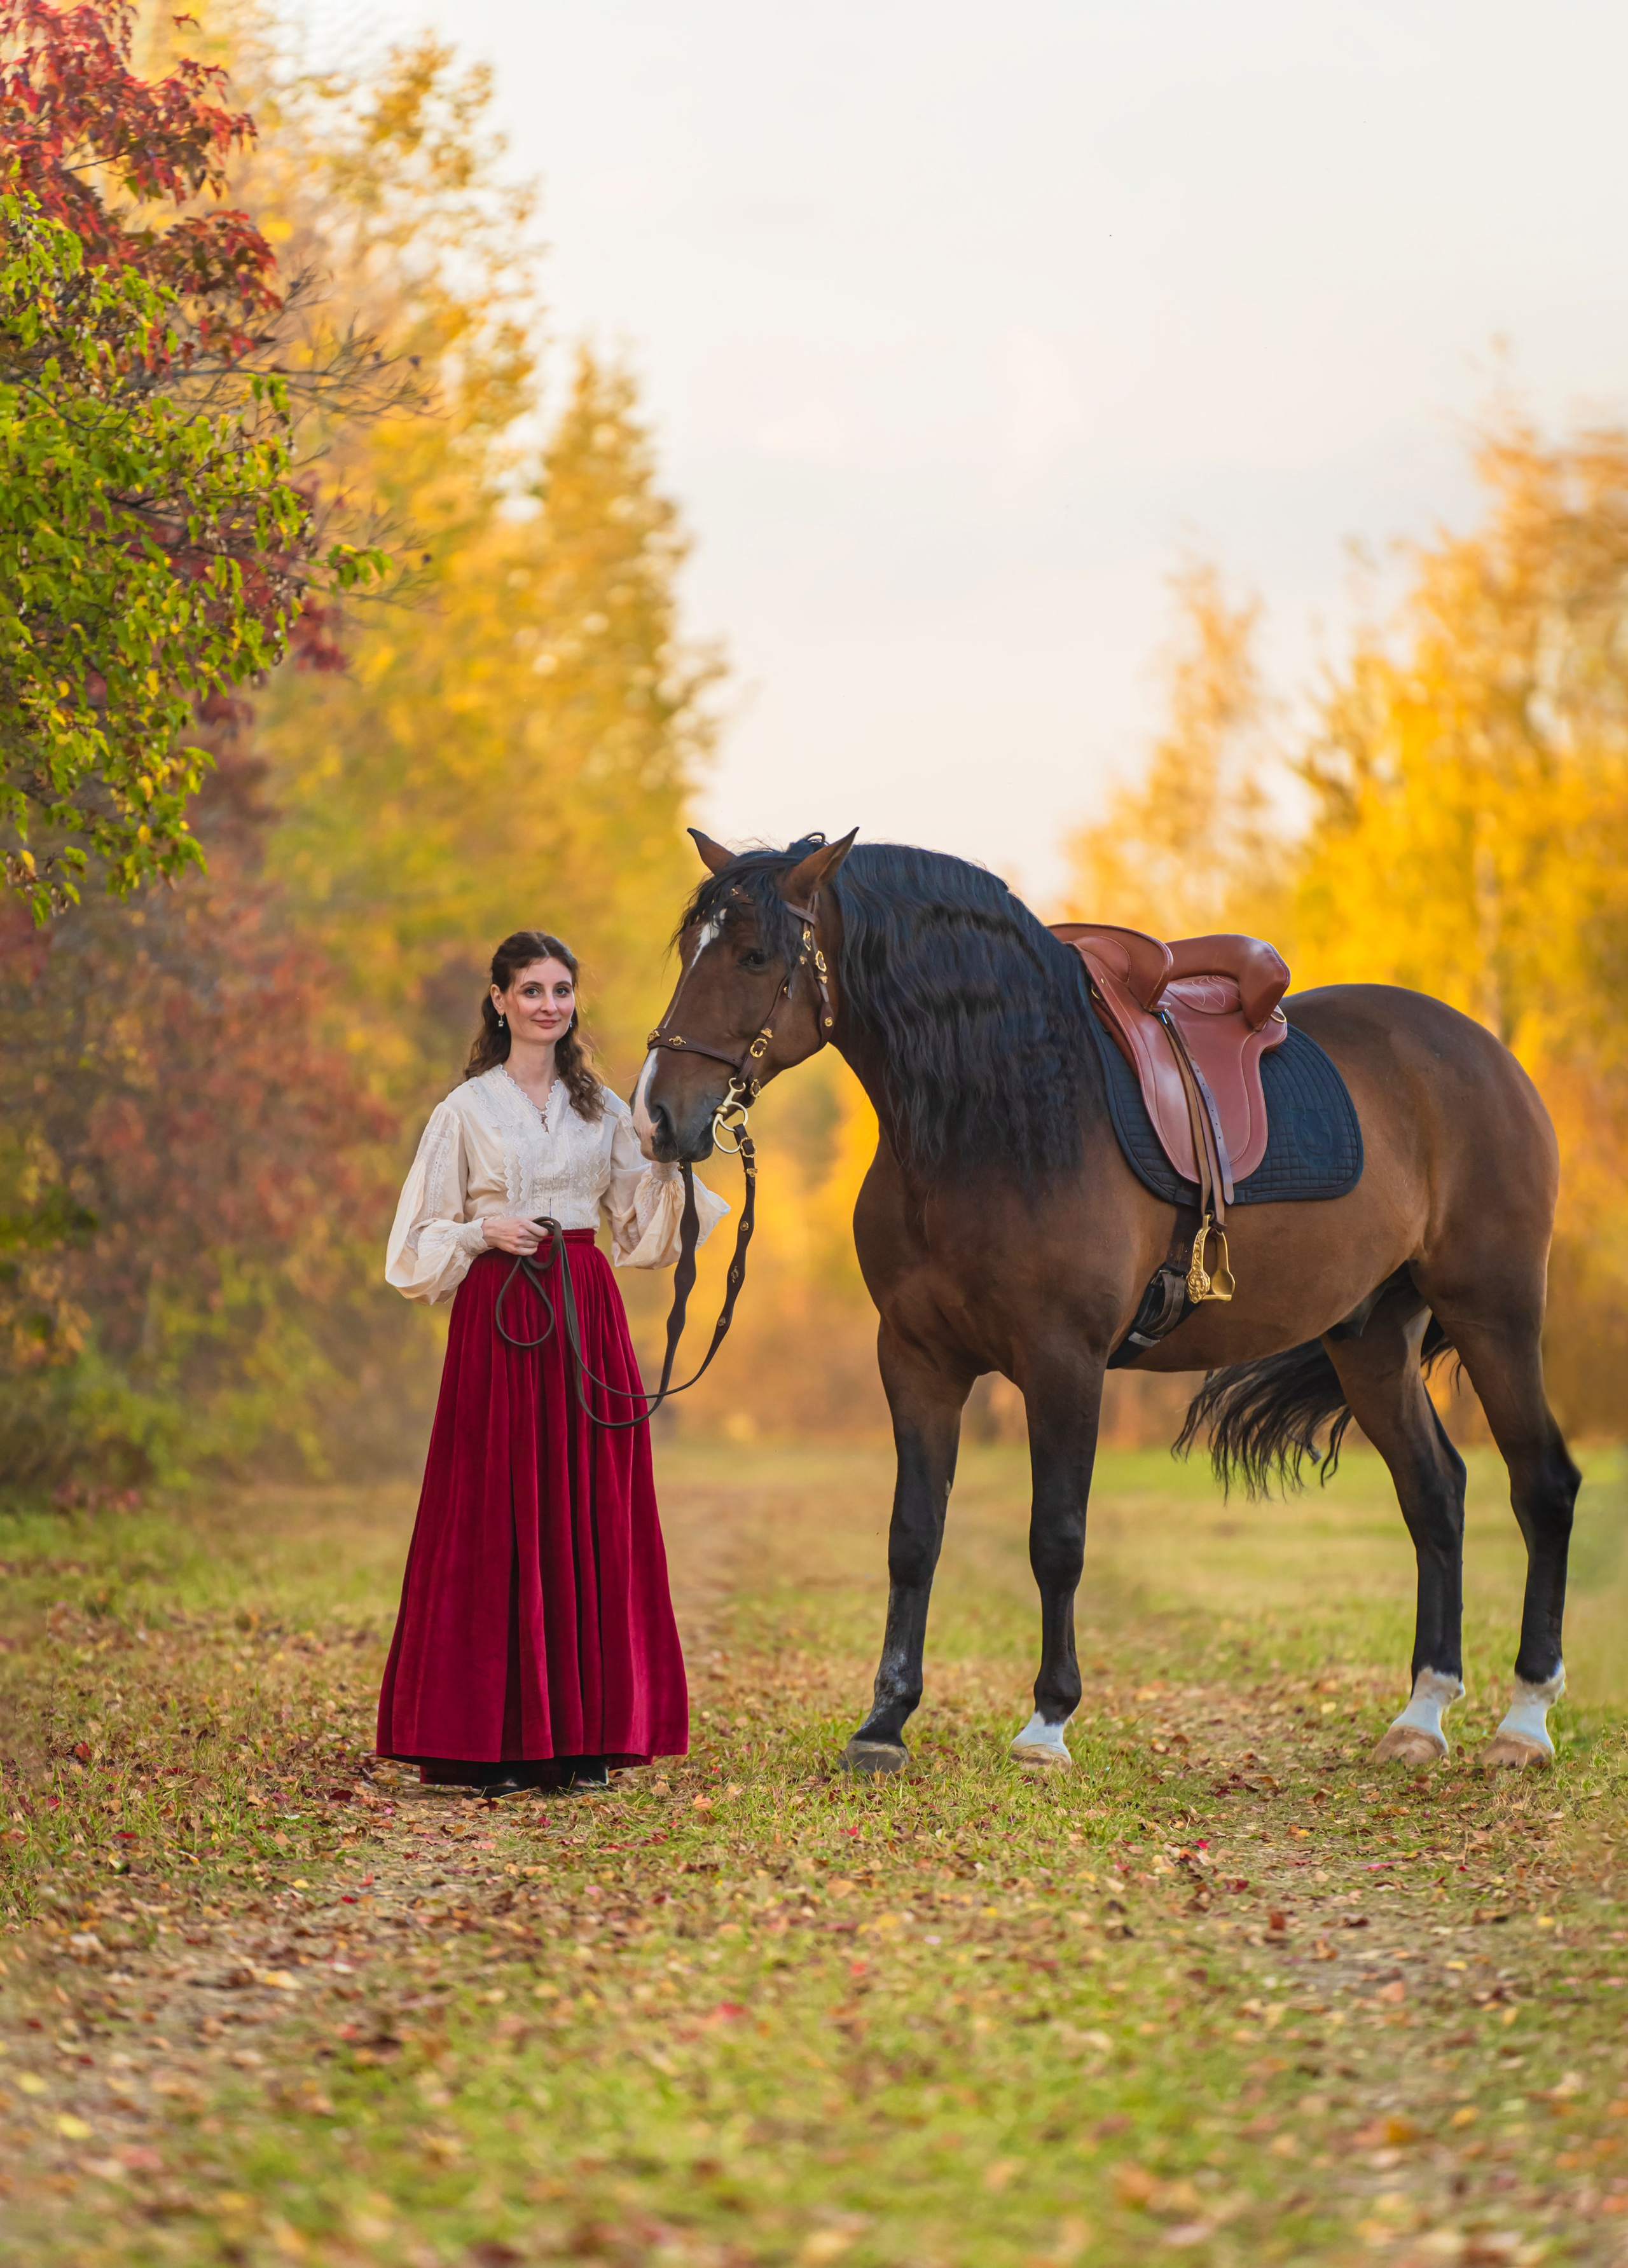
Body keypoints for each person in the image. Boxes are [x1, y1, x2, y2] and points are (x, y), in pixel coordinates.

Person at [376, 929, 727, 1796]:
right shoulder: (464, 1112)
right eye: (530, 989)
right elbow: (413, 1247)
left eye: (561, 990)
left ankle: (583, 1737)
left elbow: (640, 1229)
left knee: (587, 1509)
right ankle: (485, 1740)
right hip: (498, 1313)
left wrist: (665, 1157)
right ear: (499, 1001)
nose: (548, 1005)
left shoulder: (603, 1106)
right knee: (495, 1509)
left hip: (582, 1309)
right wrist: (479, 1230)